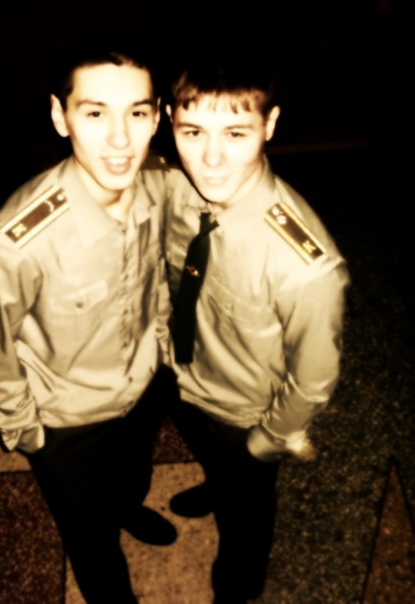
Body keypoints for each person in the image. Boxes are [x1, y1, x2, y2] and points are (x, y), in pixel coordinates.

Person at [0, 32, 176, 604]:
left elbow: (156, 280)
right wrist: (27, 434)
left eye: (137, 113)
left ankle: (127, 507)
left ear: (156, 116)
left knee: (133, 478)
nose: (120, 139)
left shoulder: (157, 184)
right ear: (61, 117)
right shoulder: (14, 243)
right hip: (68, 421)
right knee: (89, 537)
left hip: (144, 388)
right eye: (95, 113)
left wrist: (162, 349)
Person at [163, 37, 350, 604]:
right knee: (216, 469)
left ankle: (238, 588)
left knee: (246, 519)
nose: (210, 159)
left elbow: (313, 382)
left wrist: (262, 445)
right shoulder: (173, 185)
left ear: (270, 125)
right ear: (170, 122)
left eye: (235, 134)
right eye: (193, 132)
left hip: (243, 415)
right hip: (181, 380)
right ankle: (217, 483)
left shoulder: (306, 267)